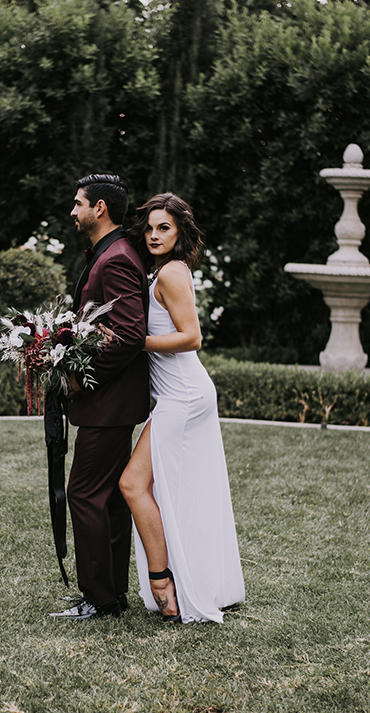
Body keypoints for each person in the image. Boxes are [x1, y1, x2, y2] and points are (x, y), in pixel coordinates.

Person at [119, 193, 245, 624]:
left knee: (134, 484)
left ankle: (165, 586)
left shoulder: (172, 273)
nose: (154, 235)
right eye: (150, 228)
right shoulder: (164, 270)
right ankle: (194, 580)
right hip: (179, 395)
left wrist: (134, 343)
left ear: (180, 232)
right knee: (181, 492)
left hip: (184, 397)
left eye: (164, 228)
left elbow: (192, 337)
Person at [50, 174, 150, 620]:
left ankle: (98, 598)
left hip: (107, 402)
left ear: (100, 209)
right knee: (106, 497)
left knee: (85, 493)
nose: (73, 212)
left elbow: (129, 335)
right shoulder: (110, 254)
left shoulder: (116, 259)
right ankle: (110, 593)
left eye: (78, 204)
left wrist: (77, 380)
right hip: (112, 403)